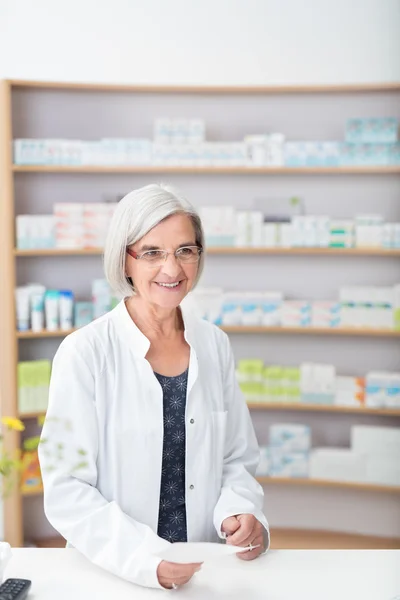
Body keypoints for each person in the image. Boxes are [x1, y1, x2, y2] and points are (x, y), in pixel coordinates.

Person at [39, 184, 269, 590]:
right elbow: (67, 487)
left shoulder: (213, 344)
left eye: (185, 250)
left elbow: (236, 456)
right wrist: (142, 558)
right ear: (124, 260)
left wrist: (240, 512)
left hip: (203, 567)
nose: (173, 268)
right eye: (152, 252)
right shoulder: (85, 352)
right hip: (112, 571)